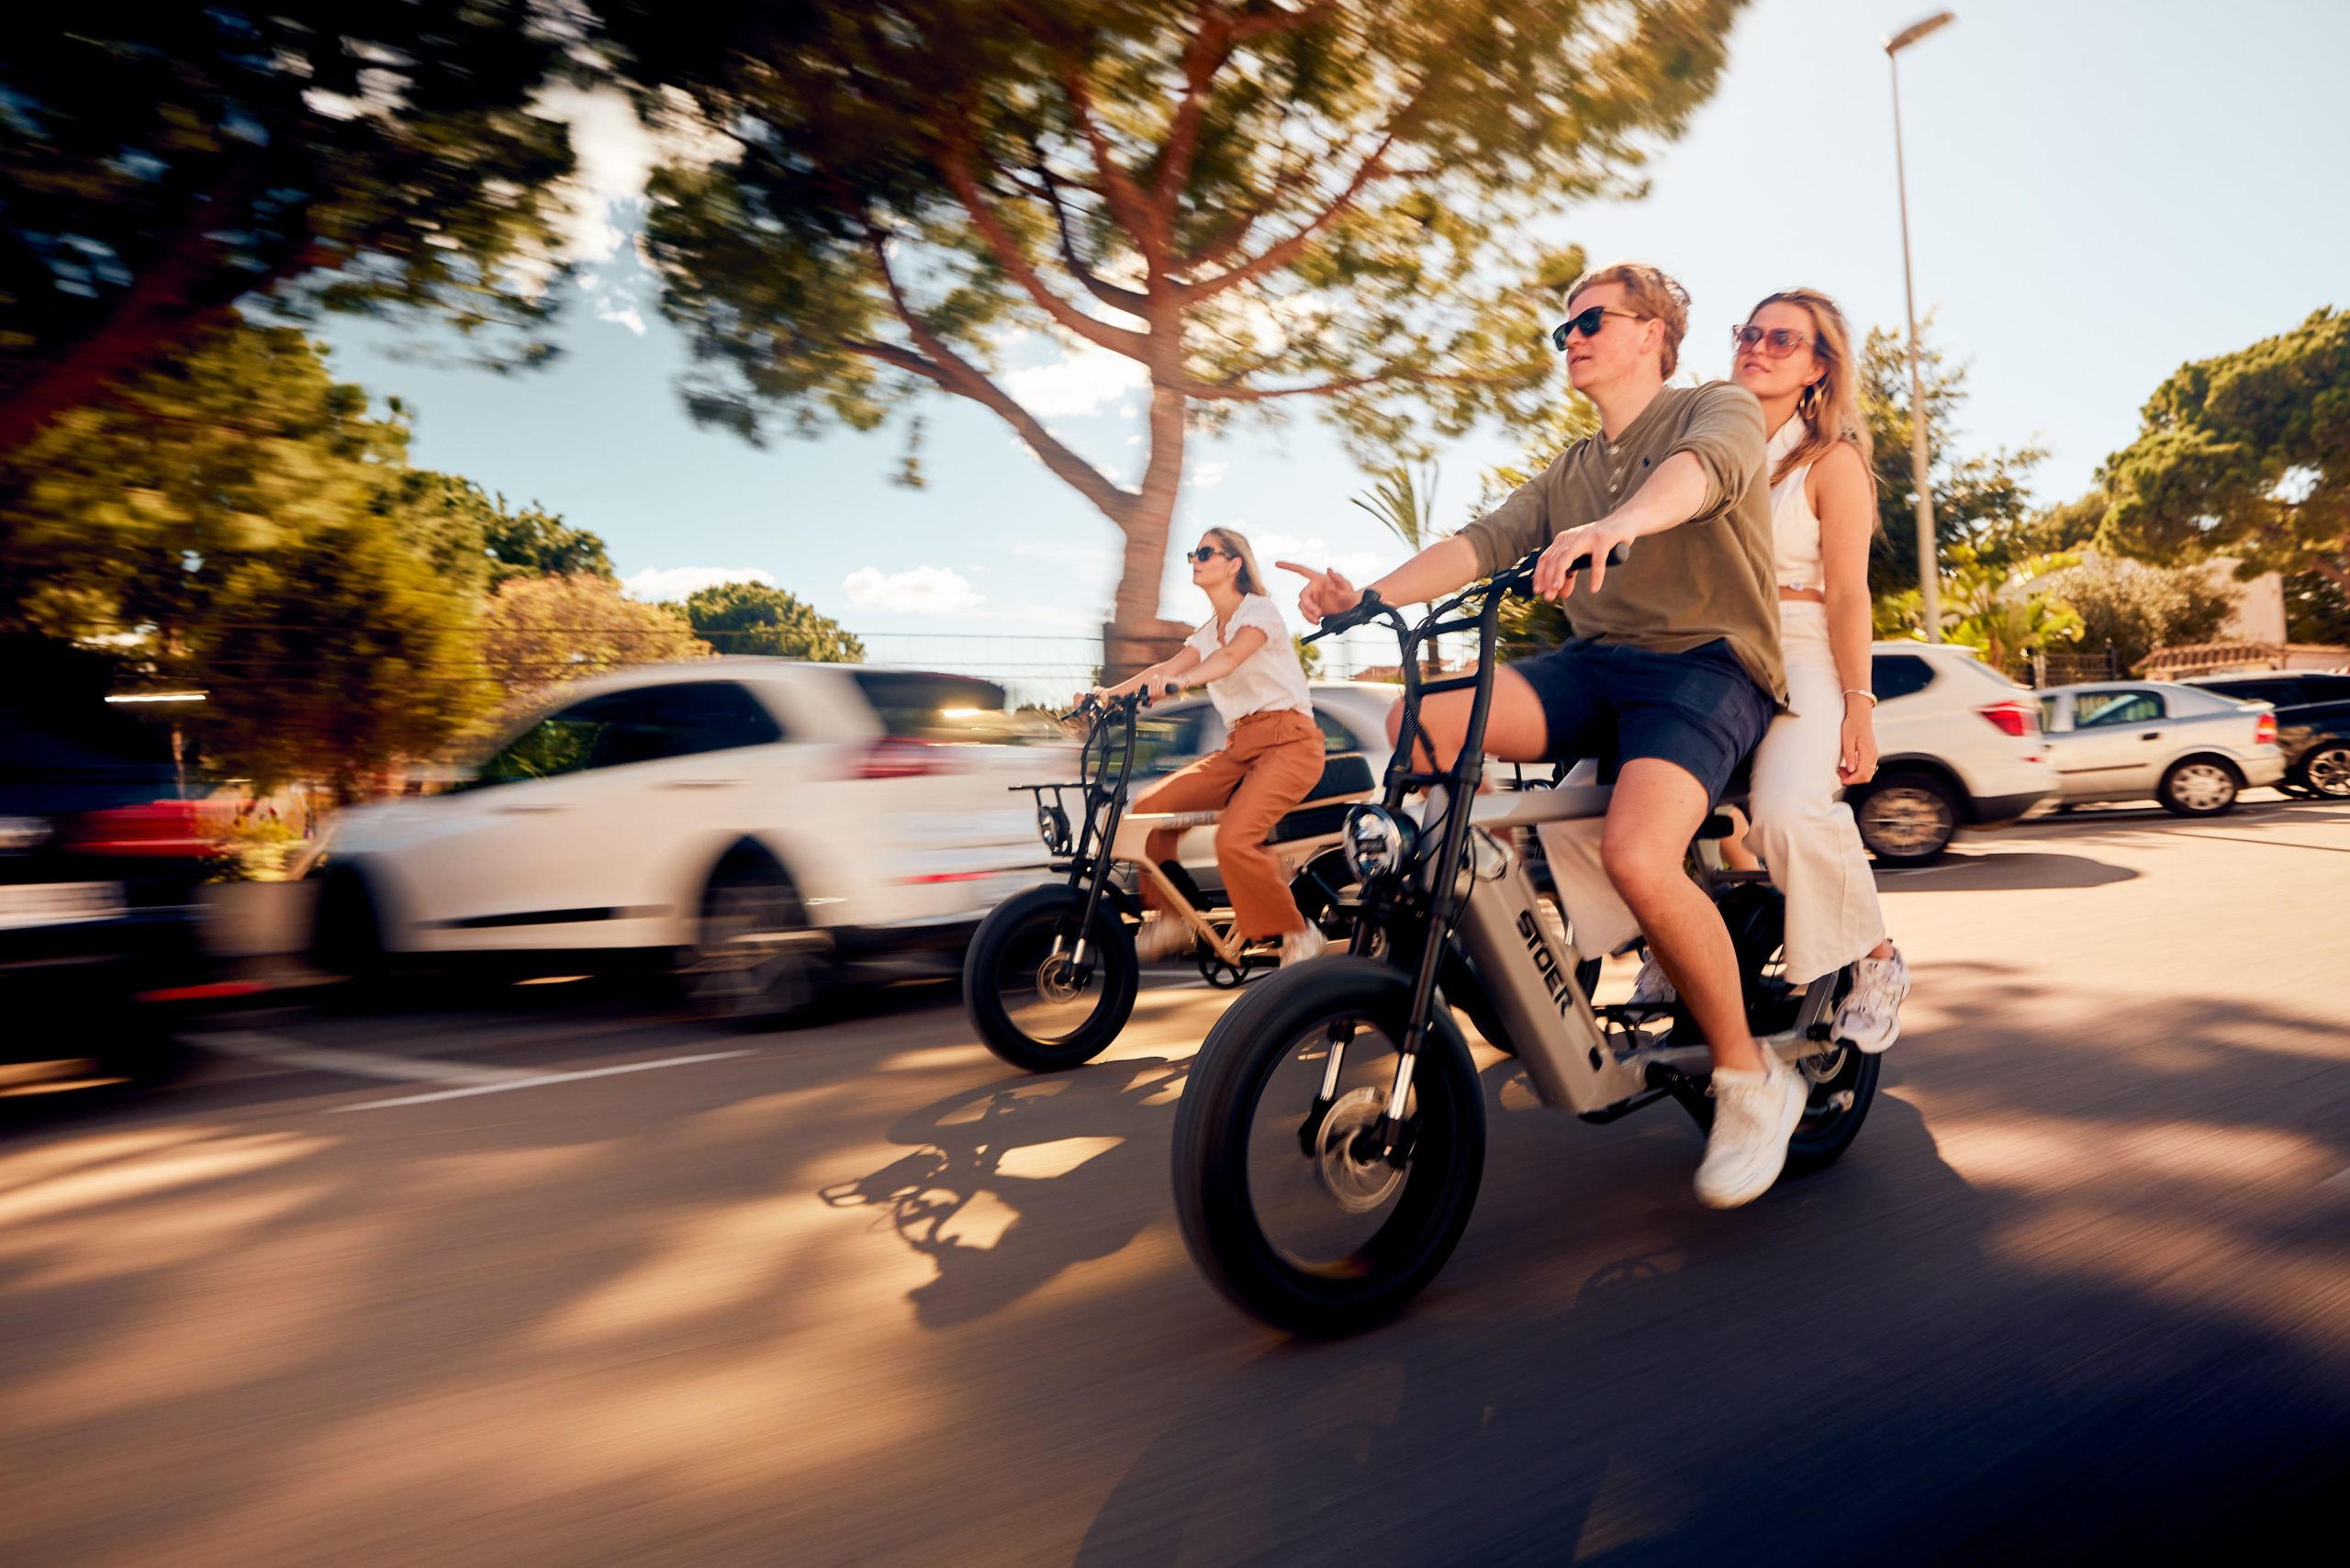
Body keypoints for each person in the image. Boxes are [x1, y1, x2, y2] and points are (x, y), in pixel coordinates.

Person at [1283, 261, 1805, 1210]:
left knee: (1640, 855)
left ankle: (1750, 1079)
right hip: (1600, 666)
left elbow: (1704, 477)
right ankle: (1464, 931)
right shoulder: (1570, 468)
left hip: (1708, 666)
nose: (1571, 340)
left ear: (1651, 333)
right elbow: (1480, 543)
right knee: (1419, 723)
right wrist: (1362, 597)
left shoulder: (1711, 407)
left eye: (1590, 322)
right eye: (1561, 330)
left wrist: (1619, 524)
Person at [1676, 288, 1910, 1047]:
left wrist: (1859, 706)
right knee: (1606, 798)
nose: (1759, 347)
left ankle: (1875, 959)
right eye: (1751, 332)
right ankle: (1674, 943)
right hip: (1704, 656)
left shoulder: (1831, 462)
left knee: (1785, 810)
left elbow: (1847, 591)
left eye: (1784, 340)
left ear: (1818, 368)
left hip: (1798, 650)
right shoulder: (1702, 444)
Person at [1091, 527, 1329, 968]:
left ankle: (1298, 933)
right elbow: (1165, 668)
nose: (1196, 560)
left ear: (1234, 563)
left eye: (1205, 552)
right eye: (1193, 554)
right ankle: (1172, 920)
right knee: (1149, 809)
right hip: (1240, 747)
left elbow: (1231, 658)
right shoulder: (1207, 631)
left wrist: (1182, 682)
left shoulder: (1260, 612)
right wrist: (1106, 695)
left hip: (1290, 743)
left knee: (1235, 838)